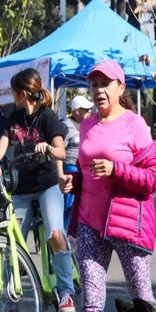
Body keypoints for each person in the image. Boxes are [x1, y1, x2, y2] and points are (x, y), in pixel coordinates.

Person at [62, 59, 156, 312]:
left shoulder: (136, 126)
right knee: (91, 302)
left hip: (127, 225)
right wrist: (73, 181)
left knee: (144, 304)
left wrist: (118, 169)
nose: (100, 90)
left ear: (121, 88)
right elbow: (89, 172)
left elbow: (153, 179)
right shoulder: (87, 125)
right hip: (91, 224)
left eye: (106, 83)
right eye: (94, 84)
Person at [0, 68, 77, 312]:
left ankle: (67, 293)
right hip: (21, 189)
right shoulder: (13, 117)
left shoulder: (48, 117)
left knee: (55, 234)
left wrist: (47, 148)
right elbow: (2, 147)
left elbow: (61, 151)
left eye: (14, 92)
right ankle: (10, 304)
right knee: (11, 244)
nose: (12, 96)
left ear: (23, 93)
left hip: (46, 186)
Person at [62, 95, 95, 224]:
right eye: (86, 109)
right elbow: (59, 150)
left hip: (84, 169)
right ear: (76, 111)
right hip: (70, 168)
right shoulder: (65, 127)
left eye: (90, 109)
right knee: (69, 205)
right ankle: (65, 232)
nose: (89, 112)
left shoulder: (87, 125)